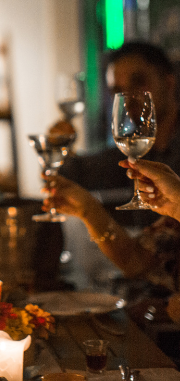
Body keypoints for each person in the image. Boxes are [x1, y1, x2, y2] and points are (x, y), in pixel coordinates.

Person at [46, 42, 180, 294]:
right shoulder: (137, 148)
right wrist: (59, 150)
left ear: (169, 82)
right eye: (118, 90)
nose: (130, 97)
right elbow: (75, 175)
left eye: (139, 82)